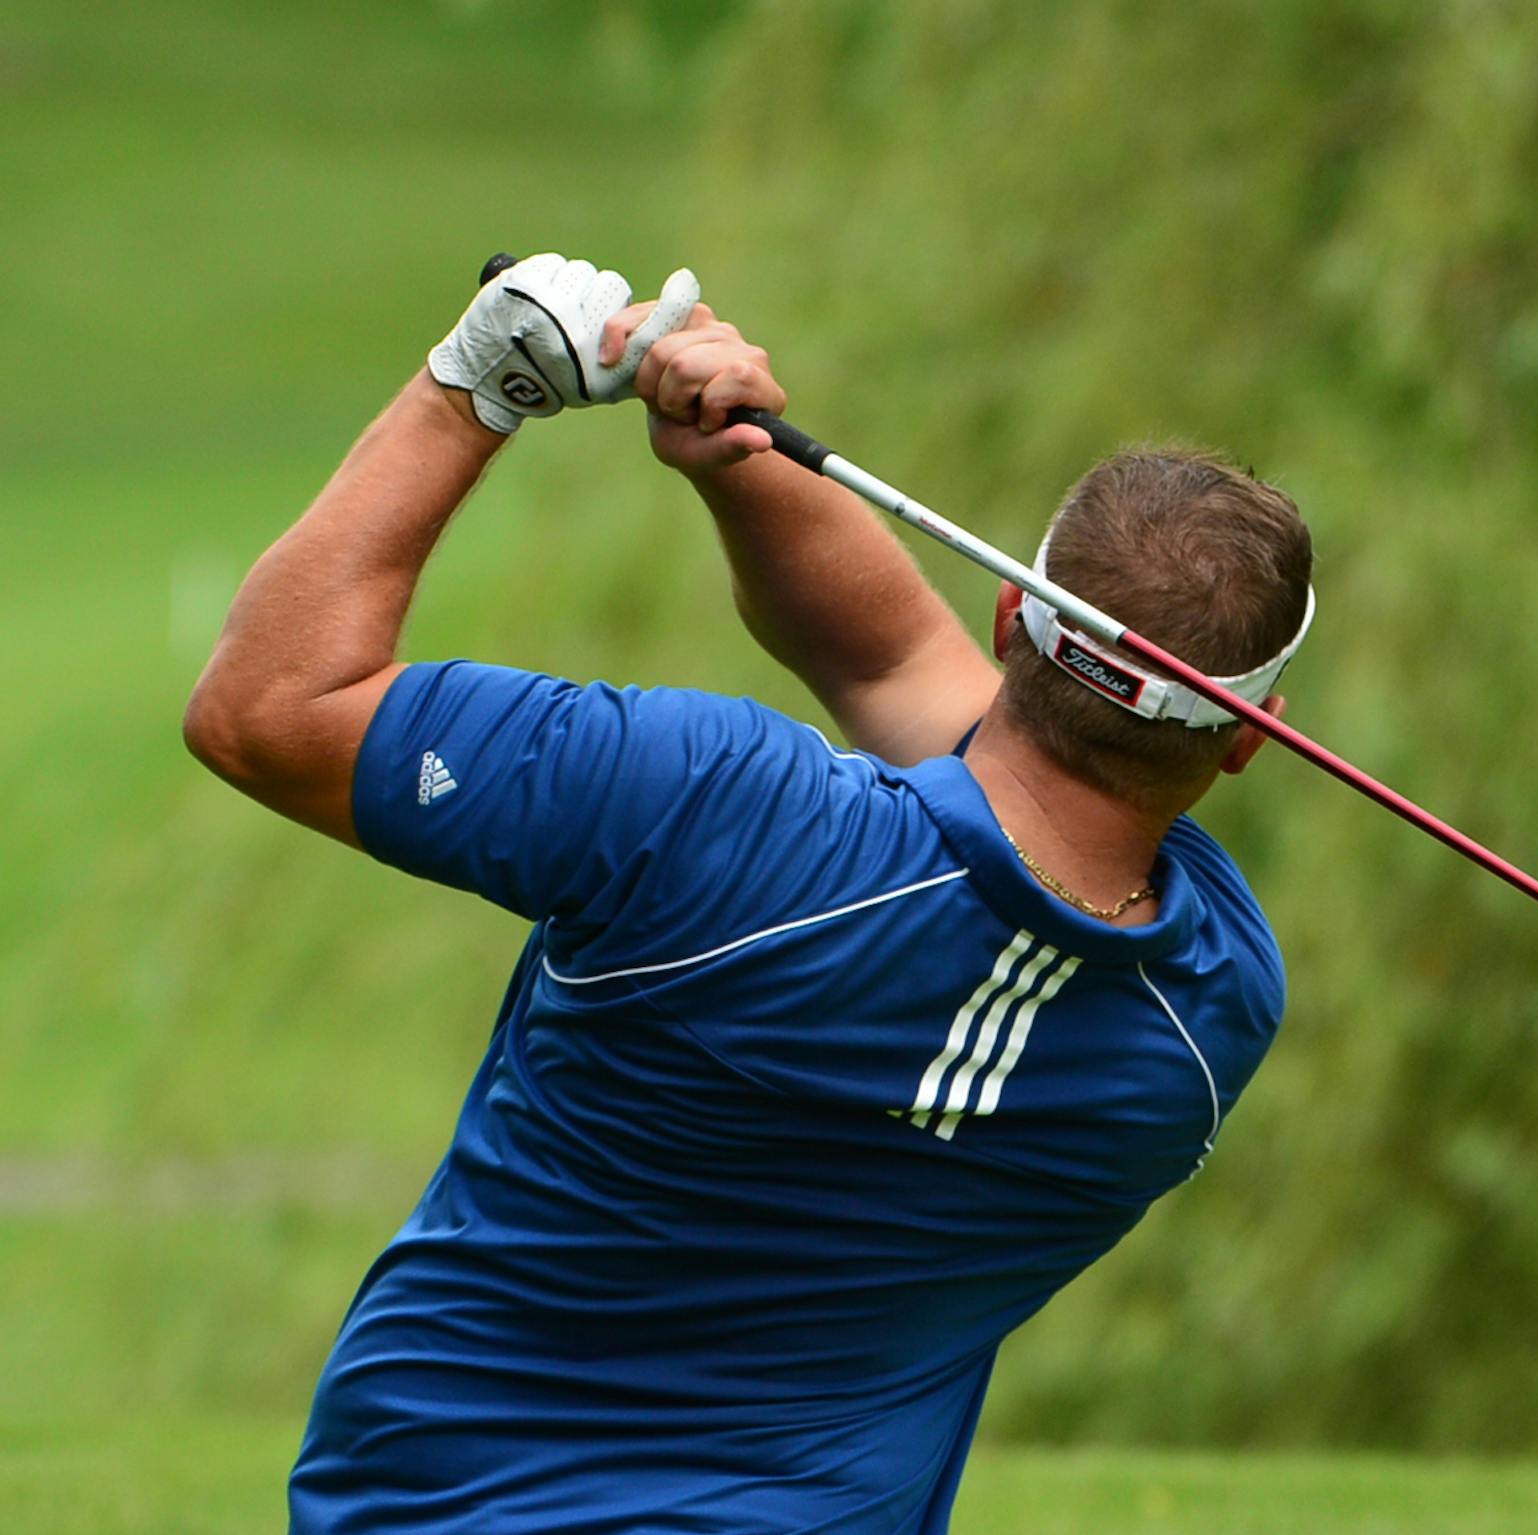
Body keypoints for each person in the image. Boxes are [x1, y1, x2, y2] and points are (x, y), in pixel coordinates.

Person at [184, 254, 1315, 1534]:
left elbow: (267, 712)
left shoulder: (701, 806)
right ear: (1247, 736)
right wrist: (745, 461)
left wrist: (476, 383)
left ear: (1011, 613)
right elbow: (915, 678)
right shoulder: (1210, 1012)